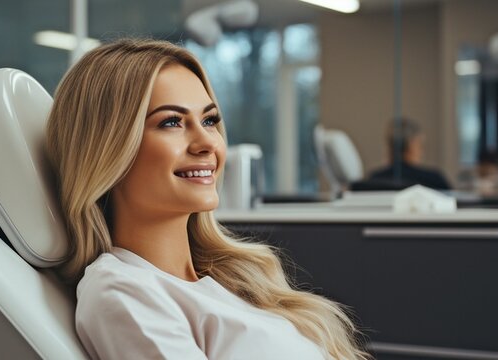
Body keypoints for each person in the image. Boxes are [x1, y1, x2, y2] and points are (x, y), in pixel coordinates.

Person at [45, 39, 368, 360]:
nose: (206, 143)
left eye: (209, 120)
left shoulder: (231, 277)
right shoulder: (121, 291)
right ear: (106, 149)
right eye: (171, 122)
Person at [366, 118, 451, 190]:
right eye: (420, 146)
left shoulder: (374, 179)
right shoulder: (434, 180)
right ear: (412, 146)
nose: (422, 152)